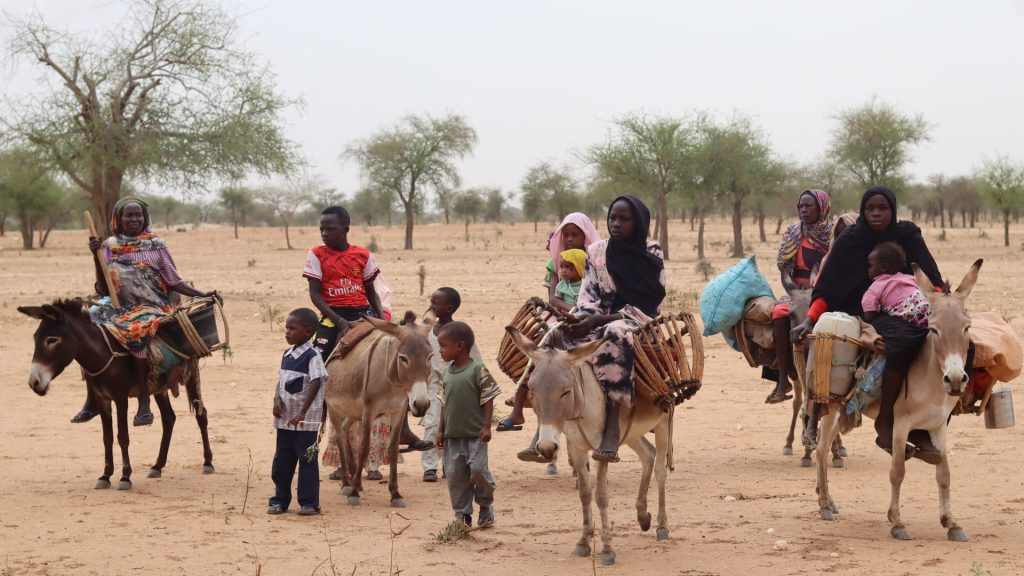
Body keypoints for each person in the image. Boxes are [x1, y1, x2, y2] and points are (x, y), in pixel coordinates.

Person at [791, 186, 957, 463]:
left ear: (893, 210)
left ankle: (934, 421)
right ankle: (884, 424)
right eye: (870, 209)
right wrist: (810, 318)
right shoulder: (850, 242)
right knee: (903, 343)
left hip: (914, 308)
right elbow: (828, 289)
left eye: (883, 208)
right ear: (863, 211)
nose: (877, 213)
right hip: (866, 313)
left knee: (959, 346)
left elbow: (931, 279)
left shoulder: (908, 236)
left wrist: (947, 310)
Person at [79, 197, 219, 426]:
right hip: (117, 305)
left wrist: (202, 293)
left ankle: (144, 400)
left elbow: (174, 282)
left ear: (145, 218)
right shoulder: (109, 246)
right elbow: (104, 288)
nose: (134, 219)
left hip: (151, 306)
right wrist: (96, 257)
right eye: (129, 215)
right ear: (118, 219)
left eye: (138, 215)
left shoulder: (157, 245)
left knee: (136, 329)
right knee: (87, 322)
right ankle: (91, 398)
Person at [305, 206, 431, 453]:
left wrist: (382, 319)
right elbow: (315, 295)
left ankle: (403, 427)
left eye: (330, 228)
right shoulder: (316, 254)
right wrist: (339, 321)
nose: (324, 233)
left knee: (396, 363)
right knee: (317, 366)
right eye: (322, 228)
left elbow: (372, 290)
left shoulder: (362, 254)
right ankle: (314, 426)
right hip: (332, 318)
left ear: (345, 229)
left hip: (365, 315)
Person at [564, 195, 666, 463]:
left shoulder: (652, 252)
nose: (616, 224)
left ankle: (612, 424)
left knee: (614, 335)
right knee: (559, 333)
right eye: (612, 218)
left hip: (637, 318)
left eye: (624, 219)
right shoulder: (597, 251)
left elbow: (652, 302)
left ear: (639, 222)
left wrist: (602, 321)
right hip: (600, 316)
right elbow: (588, 295)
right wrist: (584, 318)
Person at [501, 213, 601, 433]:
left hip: (590, 317)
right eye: (565, 234)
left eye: (575, 234)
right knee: (537, 351)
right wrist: (571, 313)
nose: (570, 239)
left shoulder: (596, 261)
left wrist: (585, 314)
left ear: (585, 236)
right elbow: (553, 298)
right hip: (560, 317)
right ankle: (518, 406)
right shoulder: (556, 261)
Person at [765, 189, 833, 404]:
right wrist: (795, 291)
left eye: (808, 206)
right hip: (795, 291)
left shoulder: (833, 234)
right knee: (778, 312)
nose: (803, 210)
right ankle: (782, 379)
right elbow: (784, 268)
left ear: (822, 208)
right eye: (800, 206)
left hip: (826, 292)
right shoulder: (793, 232)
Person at [435, 321, 501, 527]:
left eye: (443, 346)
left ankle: (485, 505)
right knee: (455, 476)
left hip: (475, 435)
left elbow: (488, 397)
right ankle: (462, 514)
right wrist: (440, 430)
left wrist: (487, 426)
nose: (440, 351)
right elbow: (444, 405)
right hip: (452, 437)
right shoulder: (445, 374)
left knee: (478, 470)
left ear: (460, 346)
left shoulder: (477, 369)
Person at [268, 308, 327, 516]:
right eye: (286, 328)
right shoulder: (287, 354)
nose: (287, 332)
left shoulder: (313, 357)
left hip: (305, 423)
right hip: (285, 420)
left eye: (292, 329)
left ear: (308, 332)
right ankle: (280, 500)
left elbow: (317, 381)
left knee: (307, 461)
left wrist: (303, 412)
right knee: (282, 461)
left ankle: (309, 502)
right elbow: (281, 381)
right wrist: (276, 399)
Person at [422, 287, 483, 482]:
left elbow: (476, 361)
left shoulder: (460, 332)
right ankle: (429, 466)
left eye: (435, 303)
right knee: (432, 424)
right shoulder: (427, 331)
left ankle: (449, 465)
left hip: (457, 385)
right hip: (433, 384)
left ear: (449, 308)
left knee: (453, 427)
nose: (431, 306)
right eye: (431, 302)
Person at [862, 242, 930, 328]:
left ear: (884, 267)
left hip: (905, 322)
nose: (868, 269)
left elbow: (869, 316)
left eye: (870, 266)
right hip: (926, 313)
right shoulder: (910, 278)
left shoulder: (874, 288)